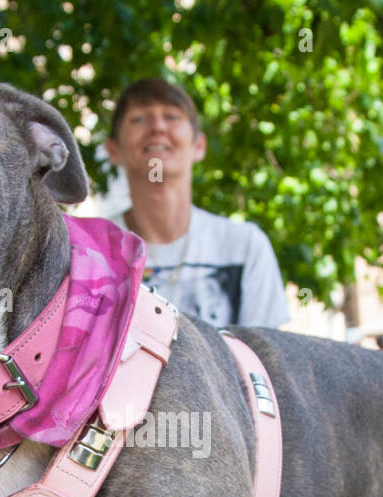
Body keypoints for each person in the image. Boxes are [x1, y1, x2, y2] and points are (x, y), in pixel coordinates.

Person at [105, 78, 290, 328]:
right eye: (138, 119)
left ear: (199, 145)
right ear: (112, 150)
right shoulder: (91, 252)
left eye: (172, 117)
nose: (158, 126)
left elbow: (265, 359)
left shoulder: (244, 247)